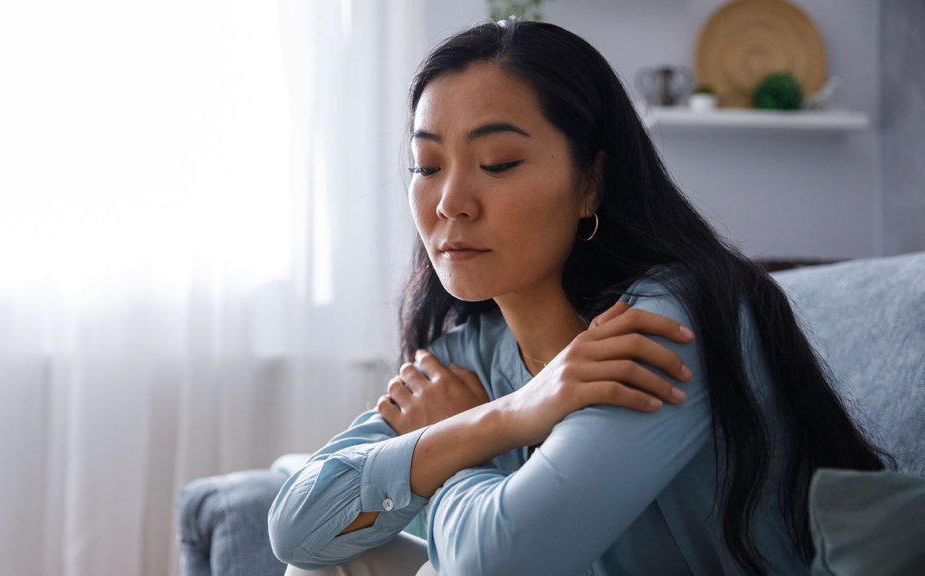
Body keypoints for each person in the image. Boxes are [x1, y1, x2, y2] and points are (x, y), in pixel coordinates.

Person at [267, 20, 889, 576]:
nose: (450, 200)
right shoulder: (467, 354)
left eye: (500, 162)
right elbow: (293, 528)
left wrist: (448, 448)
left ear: (590, 183)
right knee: (329, 566)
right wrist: (500, 417)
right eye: (426, 166)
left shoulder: (661, 325)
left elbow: (498, 564)